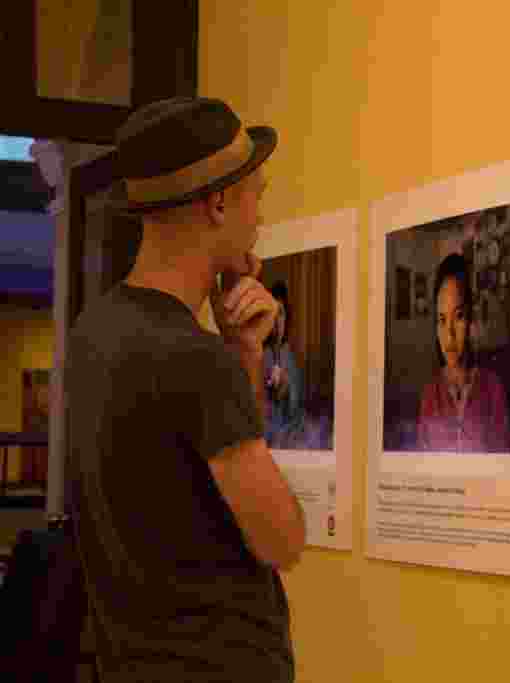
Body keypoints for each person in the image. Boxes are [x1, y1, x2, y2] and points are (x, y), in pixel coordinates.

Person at [66, 97, 305, 682]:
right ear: (218, 201)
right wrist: (229, 361)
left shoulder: (93, 333)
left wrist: (244, 353)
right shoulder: (192, 359)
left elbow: (193, 497)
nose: (258, 216)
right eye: (256, 194)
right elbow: (283, 539)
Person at [417, 253, 510, 452]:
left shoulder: (493, 389)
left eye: (458, 316)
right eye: (441, 320)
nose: (449, 333)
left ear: (471, 319)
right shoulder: (429, 395)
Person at [264, 281, 306, 448]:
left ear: (286, 317)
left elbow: (297, 411)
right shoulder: (259, 354)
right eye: (271, 314)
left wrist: (286, 388)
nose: (276, 321)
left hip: (288, 434)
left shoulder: (289, 357)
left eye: (280, 313)